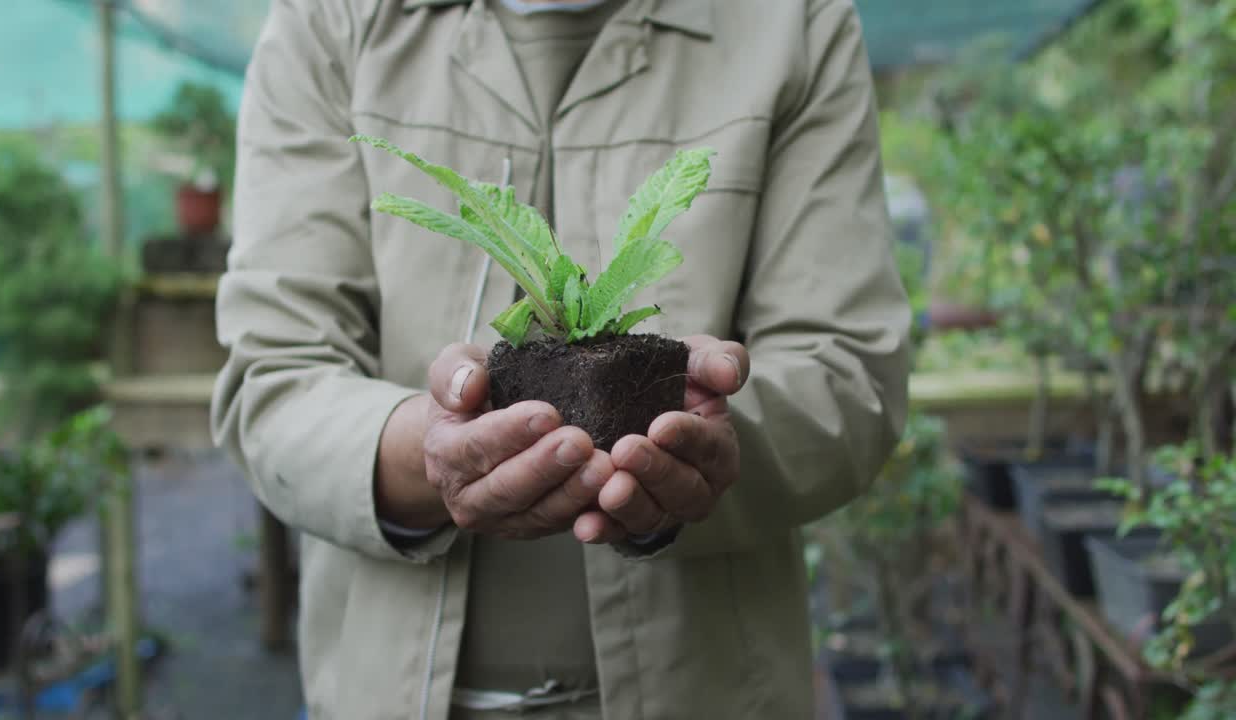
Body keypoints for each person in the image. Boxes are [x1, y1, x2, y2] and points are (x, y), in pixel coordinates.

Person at [211, 0, 910, 717]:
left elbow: (849, 371)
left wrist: (703, 441)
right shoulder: (333, 19)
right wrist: (427, 454)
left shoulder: (790, 21)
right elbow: (273, 379)